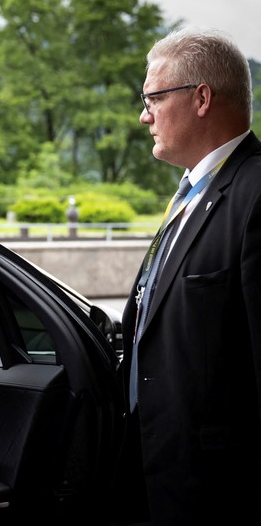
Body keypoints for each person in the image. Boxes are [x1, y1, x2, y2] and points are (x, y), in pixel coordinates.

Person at [116, 26, 261, 525]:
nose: (144, 116)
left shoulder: (255, 192)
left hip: (221, 489)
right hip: (160, 469)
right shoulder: (194, 191)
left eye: (153, 97)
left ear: (201, 98)